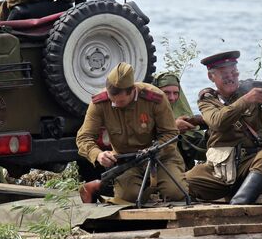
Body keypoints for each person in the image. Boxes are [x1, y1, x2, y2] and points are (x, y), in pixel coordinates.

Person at [186, 51, 262, 204]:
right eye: (224, 75)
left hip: (253, 165)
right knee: (186, 180)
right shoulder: (208, 100)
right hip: (221, 170)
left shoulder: (253, 91)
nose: (231, 77)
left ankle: (238, 205)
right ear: (211, 77)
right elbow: (217, 121)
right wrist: (245, 101)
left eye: (233, 72)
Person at [75, 62, 188, 204]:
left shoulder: (155, 98)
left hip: (161, 157)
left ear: (133, 90)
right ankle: (103, 186)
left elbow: (171, 134)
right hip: (127, 161)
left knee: (176, 193)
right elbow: (84, 137)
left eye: (121, 101)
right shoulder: (100, 103)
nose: (115, 104)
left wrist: (153, 150)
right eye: (112, 100)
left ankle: (155, 189)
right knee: (129, 198)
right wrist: (98, 155)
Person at [153, 71, 207, 170]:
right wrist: (173, 128)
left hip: (184, 171)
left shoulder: (184, 116)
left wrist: (210, 123)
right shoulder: (145, 114)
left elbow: (201, 153)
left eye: (176, 93)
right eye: (166, 93)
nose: (172, 98)